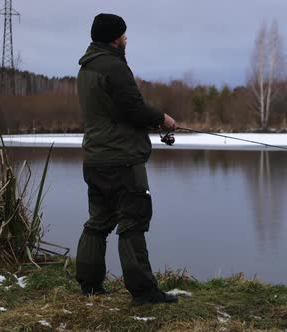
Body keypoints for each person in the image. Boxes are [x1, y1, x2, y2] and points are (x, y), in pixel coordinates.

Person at [75, 13, 177, 306]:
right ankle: (144, 293)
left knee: (98, 221)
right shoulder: (114, 67)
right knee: (133, 222)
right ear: (114, 38)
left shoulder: (86, 68)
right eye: (123, 35)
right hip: (122, 160)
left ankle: (89, 285)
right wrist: (163, 119)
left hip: (95, 160)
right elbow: (133, 108)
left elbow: (115, 111)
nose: (126, 39)